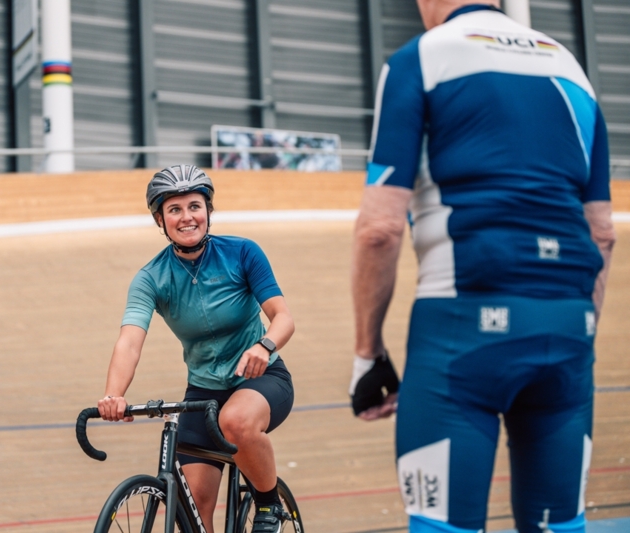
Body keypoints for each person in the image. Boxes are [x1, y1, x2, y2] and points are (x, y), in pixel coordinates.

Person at [348, 2, 616, 533]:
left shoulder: (419, 58)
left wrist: (368, 354)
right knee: (559, 524)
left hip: (460, 331)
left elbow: (380, 229)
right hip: (567, 331)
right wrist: (573, 337)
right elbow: (602, 233)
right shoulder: (570, 67)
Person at [99, 164, 295, 533]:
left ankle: (269, 507)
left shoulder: (242, 253)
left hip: (260, 378)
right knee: (191, 518)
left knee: (235, 422)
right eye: (174, 209)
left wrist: (264, 346)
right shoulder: (151, 278)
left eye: (194, 206)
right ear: (160, 219)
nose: (186, 216)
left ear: (208, 211)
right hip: (203, 394)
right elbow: (129, 341)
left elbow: (283, 317)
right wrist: (114, 394)